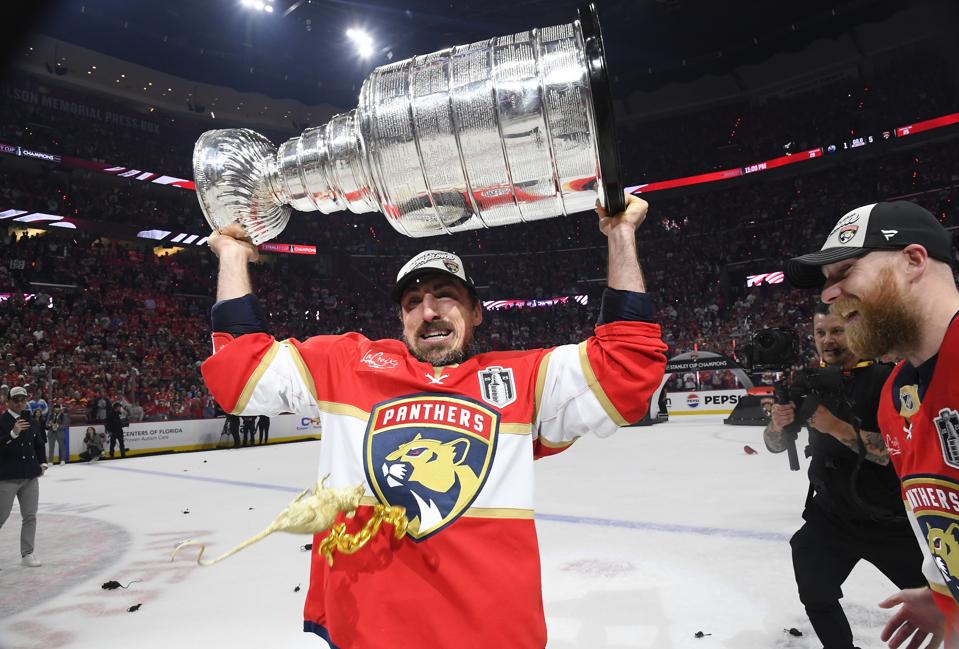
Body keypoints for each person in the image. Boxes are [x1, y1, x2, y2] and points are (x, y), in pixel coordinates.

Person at [200, 194, 668, 649]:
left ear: (476, 312)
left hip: (491, 636)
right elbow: (241, 374)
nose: (429, 312)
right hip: (367, 633)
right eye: (413, 302)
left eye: (446, 297)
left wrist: (621, 234)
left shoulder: (524, 378)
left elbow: (628, 368)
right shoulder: (347, 362)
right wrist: (234, 255)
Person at [784, 201, 959, 645]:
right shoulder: (898, 394)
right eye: (826, 284)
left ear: (913, 261)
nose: (828, 295)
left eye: (845, 272)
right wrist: (944, 593)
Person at [764, 303, 925, 649]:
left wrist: (835, 427)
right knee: (813, 585)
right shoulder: (806, 382)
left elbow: (894, 452)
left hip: (889, 520)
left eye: (836, 331)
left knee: (943, 595)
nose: (828, 340)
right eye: (820, 333)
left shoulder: (888, 379)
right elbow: (774, 444)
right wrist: (777, 425)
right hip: (833, 515)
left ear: (855, 331)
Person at [0, 386, 47, 567]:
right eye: (16, 400)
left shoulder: (32, 421)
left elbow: (39, 444)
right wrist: (13, 433)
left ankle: (27, 554)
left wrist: (42, 463)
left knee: (30, 516)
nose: (20, 403)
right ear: (8, 402)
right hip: (7, 478)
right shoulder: (2, 421)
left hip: (30, 477)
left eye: (23, 399)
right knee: (1, 517)